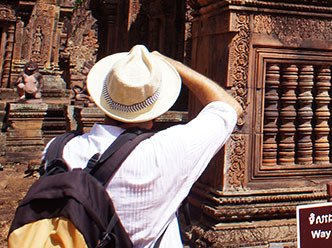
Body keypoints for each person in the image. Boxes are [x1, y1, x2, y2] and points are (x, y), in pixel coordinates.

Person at [45, 44, 242, 247]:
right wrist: (174, 66)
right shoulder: (167, 152)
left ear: (101, 97)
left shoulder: (56, 150)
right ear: (157, 107)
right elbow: (229, 107)